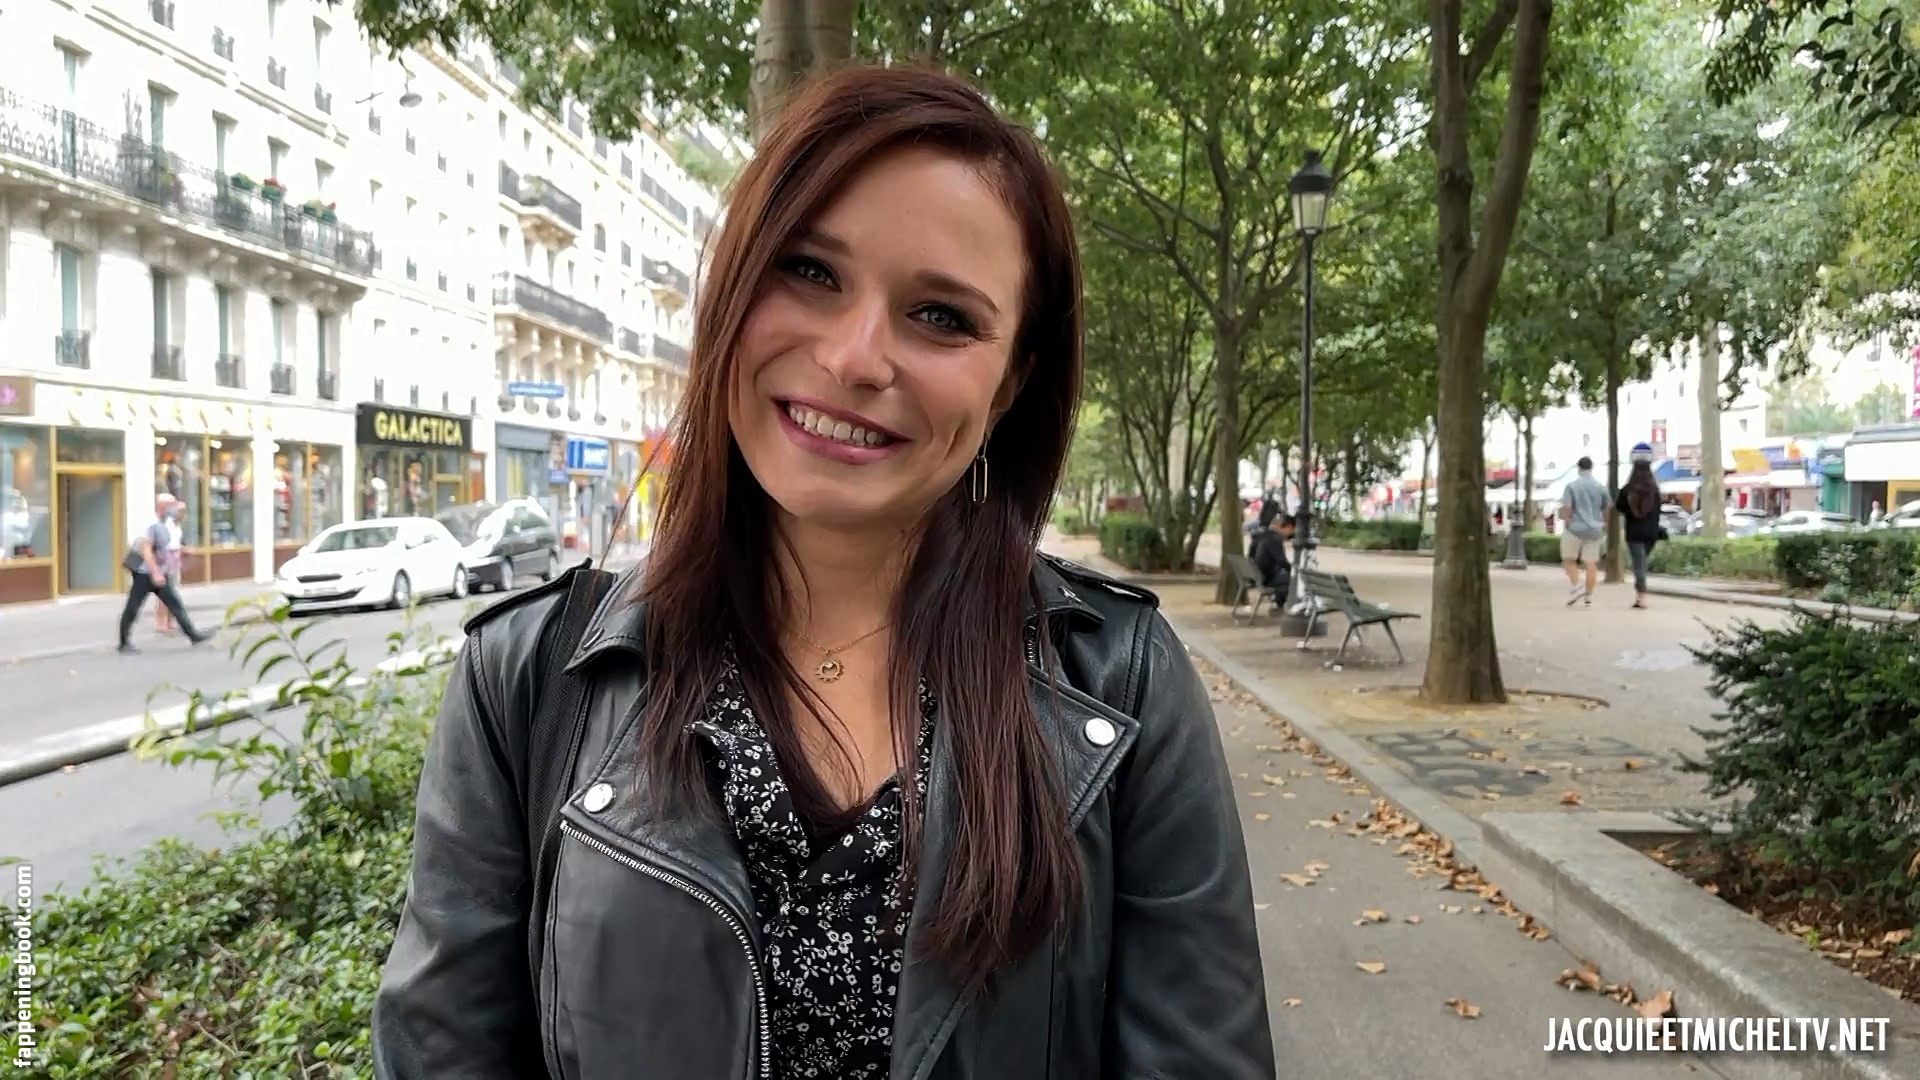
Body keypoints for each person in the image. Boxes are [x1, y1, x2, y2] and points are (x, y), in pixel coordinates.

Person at [372, 66, 1273, 1079]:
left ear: (1010, 382)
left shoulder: (1122, 684)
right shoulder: (531, 679)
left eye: (942, 316)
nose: (855, 358)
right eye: (808, 270)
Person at [118, 495, 210, 653]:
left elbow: (164, 547)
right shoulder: (151, 524)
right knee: (133, 607)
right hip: (145, 574)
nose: (175, 508)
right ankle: (123, 642)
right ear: (162, 506)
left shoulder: (164, 523)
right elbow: (146, 550)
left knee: (175, 604)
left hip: (159, 572)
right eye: (172, 504)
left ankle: (192, 635)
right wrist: (155, 572)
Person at [1615, 444, 1663, 609]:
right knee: (1642, 564)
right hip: (1651, 533)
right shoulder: (1654, 490)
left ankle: (1642, 598)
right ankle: (1639, 597)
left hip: (1634, 533)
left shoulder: (1627, 490)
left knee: (1639, 565)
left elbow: (1619, 507)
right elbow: (1658, 511)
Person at [1559, 456, 1610, 607]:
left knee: (1568, 559)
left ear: (1579, 468)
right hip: (1595, 529)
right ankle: (1588, 595)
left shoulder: (1571, 486)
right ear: (1591, 468)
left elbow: (1567, 507)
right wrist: (1605, 523)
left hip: (1575, 528)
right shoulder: (1601, 487)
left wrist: (1567, 521)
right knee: (1591, 562)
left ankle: (1576, 585)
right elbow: (1606, 507)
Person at [1249, 503, 1295, 604]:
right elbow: (1282, 561)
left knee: (1285, 575)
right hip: (1267, 578)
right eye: (1291, 531)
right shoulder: (1275, 538)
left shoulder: (1259, 536)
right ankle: (1280, 603)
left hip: (1259, 575)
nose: (1290, 536)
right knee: (1293, 577)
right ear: (1288, 527)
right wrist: (1293, 570)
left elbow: (1251, 556)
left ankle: (1278, 601)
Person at [154, 500, 186, 635]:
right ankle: (161, 622)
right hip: (166, 558)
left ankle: (170, 620)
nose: (182, 514)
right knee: (164, 592)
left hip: (175, 559)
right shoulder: (166, 524)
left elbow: (176, 542)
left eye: (183, 511)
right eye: (180, 511)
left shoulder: (177, 525)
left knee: (173, 591)